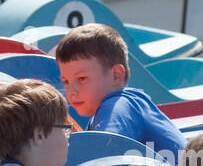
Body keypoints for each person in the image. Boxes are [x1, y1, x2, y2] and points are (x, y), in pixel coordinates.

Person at [55, 23, 186, 159]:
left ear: (116, 75)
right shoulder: (112, 111)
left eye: (81, 78)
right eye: (66, 81)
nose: (71, 91)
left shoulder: (118, 105)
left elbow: (102, 159)